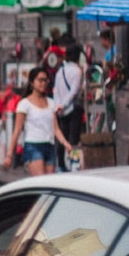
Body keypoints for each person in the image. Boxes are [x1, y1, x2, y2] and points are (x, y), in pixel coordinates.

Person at [9, 66, 72, 177]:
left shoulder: (51, 103)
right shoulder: (24, 104)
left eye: (45, 80)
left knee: (49, 183)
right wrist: (9, 155)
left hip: (49, 146)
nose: (43, 83)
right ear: (32, 83)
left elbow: (56, 129)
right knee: (40, 180)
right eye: (40, 80)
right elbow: (17, 130)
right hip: (33, 146)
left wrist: (65, 143)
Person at [53, 42, 85, 170]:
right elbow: (74, 91)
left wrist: (58, 106)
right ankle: (73, 166)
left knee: (62, 139)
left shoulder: (60, 71)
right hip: (72, 109)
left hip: (60, 111)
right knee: (73, 140)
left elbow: (56, 90)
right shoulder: (77, 71)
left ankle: (61, 165)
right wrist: (64, 105)